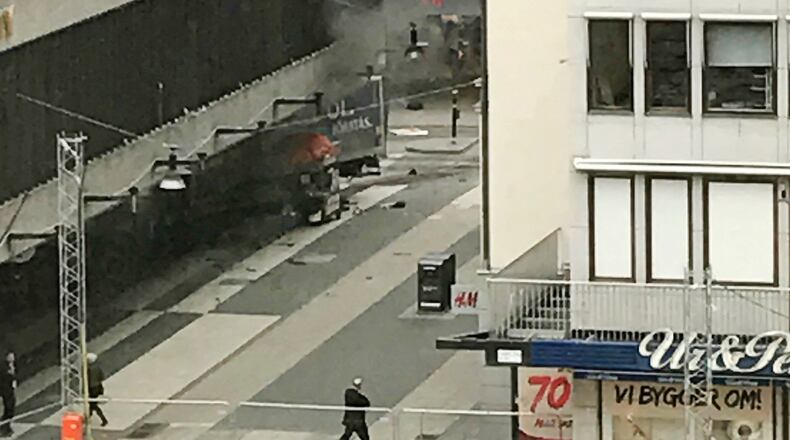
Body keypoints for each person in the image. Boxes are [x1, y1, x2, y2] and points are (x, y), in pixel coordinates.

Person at [86, 353, 108, 427]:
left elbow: (87, 379)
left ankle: (103, 419)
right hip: (97, 387)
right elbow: (102, 376)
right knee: (91, 403)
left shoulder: (89, 369)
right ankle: (89, 416)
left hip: (92, 388)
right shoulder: (97, 367)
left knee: (93, 404)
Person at [0, 350, 16, 437]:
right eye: (11, 356)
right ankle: (4, 427)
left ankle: (6, 426)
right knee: (8, 408)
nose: (13, 358)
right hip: (5, 390)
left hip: (10, 390)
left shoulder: (13, 366)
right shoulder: (3, 368)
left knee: (11, 408)